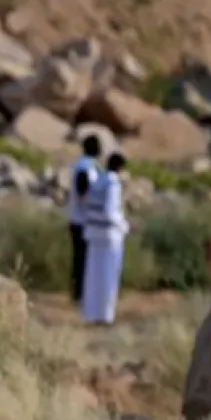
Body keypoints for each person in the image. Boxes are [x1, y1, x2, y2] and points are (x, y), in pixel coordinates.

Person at [81, 152, 129, 326]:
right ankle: (106, 316)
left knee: (93, 277)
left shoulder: (96, 182)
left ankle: (91, 314)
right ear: (120, 167)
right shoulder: (113, 183)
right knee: (109, 278)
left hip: (94, 233)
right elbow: (110, 212)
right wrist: (124, 225)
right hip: (110, 236)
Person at [67, 135, 103, 303]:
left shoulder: (81, 165)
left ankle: (79, 292)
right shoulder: (86, 168)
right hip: (83, 221)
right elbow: (83, 192)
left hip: (77, 219)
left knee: (81, 257)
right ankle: (81, 294)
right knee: (84, 258)